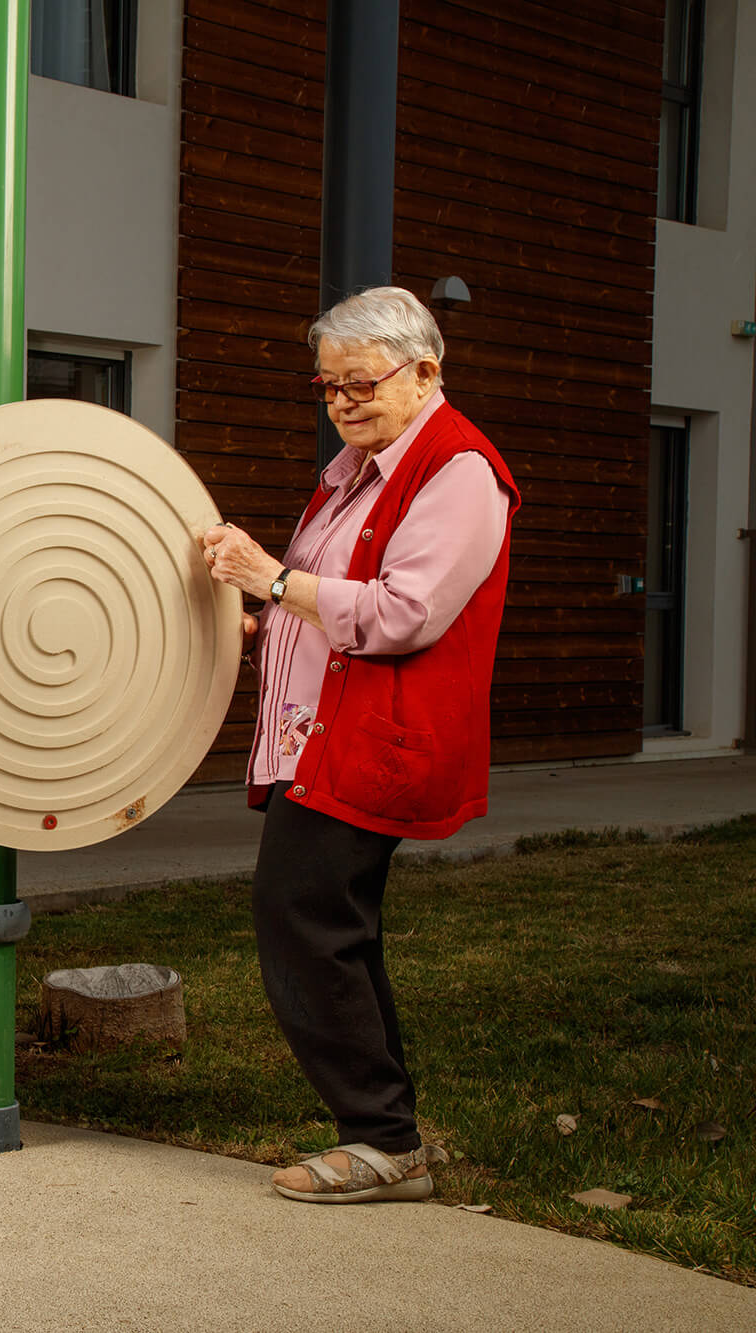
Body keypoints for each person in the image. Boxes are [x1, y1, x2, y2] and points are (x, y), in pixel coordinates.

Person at [200, 286, 518, 1204]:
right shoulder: (358, 469)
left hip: (375, 736)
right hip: (326, 735)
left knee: (301, 915)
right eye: (328, 385)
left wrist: (274, 576)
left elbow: (406, 613)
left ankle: (382, 1140)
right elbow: (329, 596)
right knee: (333, 923)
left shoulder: (458, 470)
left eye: (360, 383)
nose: (341, 401)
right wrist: (272, 618)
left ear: (427, 371)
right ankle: (388, 1135)